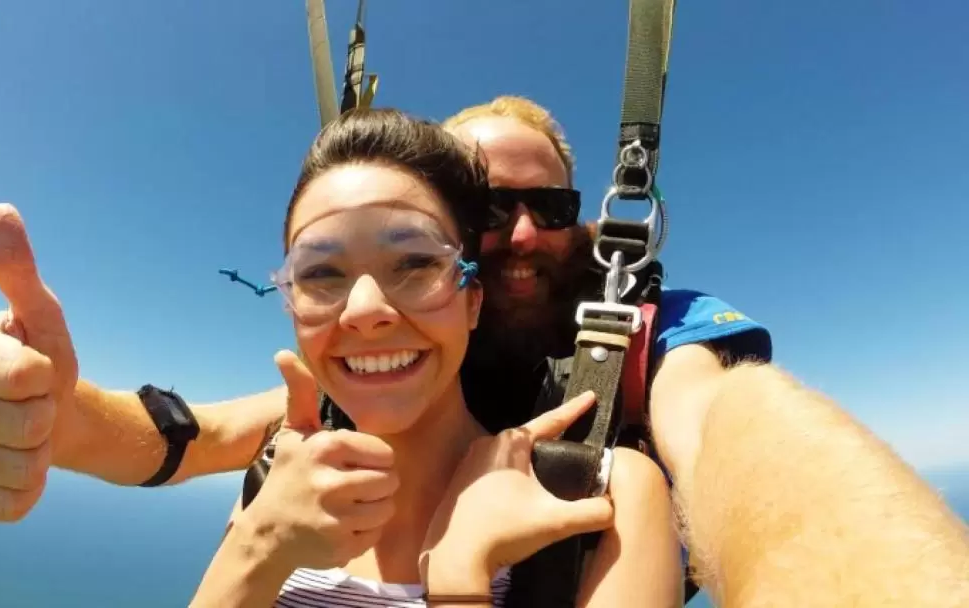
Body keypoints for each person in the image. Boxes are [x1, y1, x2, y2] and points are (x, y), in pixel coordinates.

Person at [0, 96, 969, 606]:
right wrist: (44, 420)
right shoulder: (297, 452)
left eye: (547, 206)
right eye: (486, 210)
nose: (516, 238)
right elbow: (190, 432)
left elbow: (748, 437)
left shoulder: (633, 380)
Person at [188, 107, 681, 607]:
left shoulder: (604, 495)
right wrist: (258, 547)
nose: (364, 311)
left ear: (473, 299)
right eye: (321, 274)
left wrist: (459, 578)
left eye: (417, 264)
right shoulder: (279, 475)